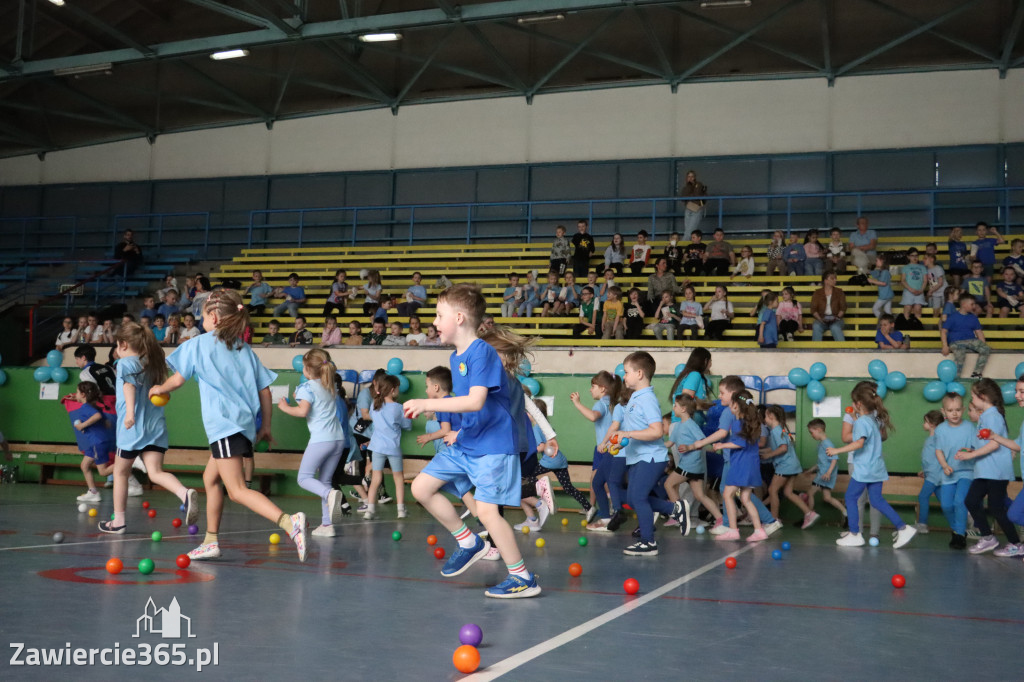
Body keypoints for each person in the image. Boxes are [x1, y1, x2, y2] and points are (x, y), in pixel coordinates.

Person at [403, 284, 541, 598]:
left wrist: (428, 404)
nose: (435, 322)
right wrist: (459, 433)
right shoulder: (456, 357)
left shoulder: (483, 353)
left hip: (493, 449)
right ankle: (468, 541)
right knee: (421, 487)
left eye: (439, 315)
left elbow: (476, 401)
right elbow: (473, 409)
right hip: (468, 443)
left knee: (489, 513)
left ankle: (522, 578)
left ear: (461, 318)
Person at [150, 289, 307, 562]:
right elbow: (265, 391)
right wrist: (266, 426)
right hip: (243, 426)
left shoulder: (198, 344)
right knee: (210, 479)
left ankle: (289, 522)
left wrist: (158, 387)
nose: (200, 323)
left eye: (201, 317)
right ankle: (210, 541)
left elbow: (176, 381)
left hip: (224, 425)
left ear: (213, 316)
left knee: (236, 490)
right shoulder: (243, 348)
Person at [99, 322, 199, 535]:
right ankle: (184, 493)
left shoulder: (125, 363)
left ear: (123, 344)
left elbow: (129, 387)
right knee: (155, 472)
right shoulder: (152, 364)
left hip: (132, 428)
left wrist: (130, 414)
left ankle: (119, 521)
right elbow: (162, 393)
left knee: (120, 472)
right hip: (156, 427)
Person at [683, 376, 781, 537]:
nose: (719, 396)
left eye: (722, 393)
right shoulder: (737, 413)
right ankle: (754, 523)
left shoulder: (730, 412)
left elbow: (722, 433)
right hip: (736, 459)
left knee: (731, 491)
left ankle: (736, 524)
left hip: (736, 460)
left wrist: (698, 444)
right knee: (739, 493)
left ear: (734, 395)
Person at [610, 351, 684, 555]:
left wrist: (628, 433)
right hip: (637, 457)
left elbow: (656, 431)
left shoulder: (647, 399)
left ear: (640, 373)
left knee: (639, 498)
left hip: (651, 458)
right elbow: (636, 431)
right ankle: (675, 509)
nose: (624, 376)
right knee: (633, 500)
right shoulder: (635, 398)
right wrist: (619, 442)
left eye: (626, 372)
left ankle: (648, 542)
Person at [827, 382, 916, 548]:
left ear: (858, 404)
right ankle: (903, 528)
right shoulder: (872, 419)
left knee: (850, 497)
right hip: (876, 467)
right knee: (876, 500)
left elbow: (859, 443)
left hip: (864, 469)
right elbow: (871, 435)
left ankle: (855, 534)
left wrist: (836, 451)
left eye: (854, 402)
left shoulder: (861, 422)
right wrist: (855, 418)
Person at [275, 350, 345, 537]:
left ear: (306, 369)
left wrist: (285, 407)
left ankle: (330, 495)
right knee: (325, 481)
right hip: (338, 439)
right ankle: (326, 525)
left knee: (304, 478)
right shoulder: (330, 385)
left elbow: (302, 411)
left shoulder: (307, 387)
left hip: (322, 440)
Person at [955, 379, 1020, 556]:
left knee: (996, 508)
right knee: (971, 501)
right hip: (985, 471)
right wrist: (973, 449)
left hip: (996, 471)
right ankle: (988, 538)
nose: (972, 399)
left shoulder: (992, 415)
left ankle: (1016, 544)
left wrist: (971, 455)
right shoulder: (986, 416)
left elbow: (994, 444)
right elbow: (986, 442)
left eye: (973, 396)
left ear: (982, 397)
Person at [712, 390, 768, 543]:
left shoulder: (738, 423)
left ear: (735, 405)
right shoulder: (752, 423)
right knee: (745, 497)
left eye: (731, 404)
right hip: (751, 465)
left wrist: (721, 445)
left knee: (727, 494)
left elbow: (739, 443)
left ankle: (732, 530)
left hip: (741, 465)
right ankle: (759, 530)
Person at [663, 394, 719, 534]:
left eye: (675, 405)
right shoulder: (677, 427)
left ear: (683, 409)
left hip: (690, 465)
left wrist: (689, 448)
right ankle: (720, 519)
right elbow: (670, 443)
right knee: (700, 495)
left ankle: (679, 515)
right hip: (692, 466)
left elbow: (701, 442)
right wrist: (653, 445)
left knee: (668, 484)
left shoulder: (691, 425)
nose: (673, 408)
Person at [569, 370, 620, 520]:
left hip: (605, 448)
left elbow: (593, 416)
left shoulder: (601, 403)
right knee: (596, 479)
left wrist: (577, 404)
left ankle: (611, 506)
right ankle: (592, 507)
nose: (591, 390)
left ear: (602, 388)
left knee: (600, 480)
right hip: (604, 448)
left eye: (593, 386)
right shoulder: (612, 402)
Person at [362, 374, 411, 520]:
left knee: (376, 478)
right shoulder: (399, 408)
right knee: (398, 478)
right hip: (393, 448)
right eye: (397, 388)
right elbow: (407, 426)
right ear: (392, 390)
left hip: (377, 447)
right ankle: (401, 510)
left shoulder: (374, 405)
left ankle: (369, 510)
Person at [762, 405, 816, 527]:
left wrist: (769, 455)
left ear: (771, 416)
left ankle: (774, 520)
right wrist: (762, 452)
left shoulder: (776, 431)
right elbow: (776, 447)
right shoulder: (781, 429)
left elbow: (783, 448)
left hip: (785, 466)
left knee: (772, 490)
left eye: (765, 415)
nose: (764, 419)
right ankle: (809, 513)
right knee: (788, 492)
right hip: (793, 465)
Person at [933, 392, 975, 549]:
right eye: (950, 410)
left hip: (966, 472)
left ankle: (959, 535)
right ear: (943, 411)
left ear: (963, 410)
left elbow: (975, 449)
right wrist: (944, 465)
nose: (954, 413)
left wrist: (969, 453)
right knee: (946, 505)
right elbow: (938, 451)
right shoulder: (940, 430)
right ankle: (958, 530)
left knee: (959, 501)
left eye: (958, 409)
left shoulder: (970, 427)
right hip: (948, 473)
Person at [63, 382, 116, 504]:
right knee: (85, 465)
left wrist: (83, 425)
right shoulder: (92, 406)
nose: (75, 394)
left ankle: (130, 462)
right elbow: (106, 423)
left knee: (103, 472)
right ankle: (93, 493)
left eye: (77, 392)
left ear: (83, 394)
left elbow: (97, 416)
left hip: (98, 442)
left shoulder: (88, 408)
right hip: (95, 442)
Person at [803, 418, 847, 524]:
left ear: (818, 430)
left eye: (811, 432)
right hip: (824, 474)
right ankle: (846, 512)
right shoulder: (822, 443)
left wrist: (828, 473)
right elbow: (822, 462)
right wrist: (811, 470)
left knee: (810, 492)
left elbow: (834, 458)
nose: (811, 435)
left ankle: (809, 515)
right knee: (827, 498)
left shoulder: (827, 443)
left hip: (825, 475)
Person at [941, 292, 990, 378]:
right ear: (963, 304)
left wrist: (983, 345)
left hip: (971, 341)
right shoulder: (952, 317)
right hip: (956, 342)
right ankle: (956, 377)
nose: (974, 306)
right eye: (972, 304)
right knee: (960, 356)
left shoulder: (973, 317)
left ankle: (976, 373)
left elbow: (979, 333)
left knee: (985, 349)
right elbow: (943, 331)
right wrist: (945, 346)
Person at [915, 409, 945, 534]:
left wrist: (931, 472)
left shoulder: (937, 438)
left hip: (934, 475)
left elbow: (940, 457)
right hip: (931, 474)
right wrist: (924, 471)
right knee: (944, 501)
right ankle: (964, 519)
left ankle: (922, 524)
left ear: (932, 424)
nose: (924, 424)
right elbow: (930, 458)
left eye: (925, 422)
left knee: (923, 496)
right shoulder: (931, 438)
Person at [74, 343, 117, 411]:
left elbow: (91, 393)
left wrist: (77, 398)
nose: (76, 362)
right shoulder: (108, 367)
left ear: (83, 358)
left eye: (77, 359)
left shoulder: (85, 373)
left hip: (105, 407)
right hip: (118, 403)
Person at [810, 272, 846, 342]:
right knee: (816, 326)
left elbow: (843, 308)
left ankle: (843, 350)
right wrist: (820, 319)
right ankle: (815, 351)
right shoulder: (817, 293)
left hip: (836, 318)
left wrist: (837, 318)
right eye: (832, 278)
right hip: (822, 318)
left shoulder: (839, 292)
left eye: (835, 278)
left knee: (835, 327)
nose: (835, 280)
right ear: (825, 280)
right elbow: (813, 310)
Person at [900, 247, 928, 321]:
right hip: (908, 291)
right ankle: (906, 327)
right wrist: (911, 290)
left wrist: (921, 290)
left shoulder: (922, 267)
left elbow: (925, 280)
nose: (915, 257)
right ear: (908, 256)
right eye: (912, 255)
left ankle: (917, 328)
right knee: (907, 308)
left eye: (916, 255)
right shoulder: (905, 267)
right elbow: (903, 280)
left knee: (918, 309)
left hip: (919, 291)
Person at [680, 169, 707, 239]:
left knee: (689, 231)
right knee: (687, 230)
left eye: (692, 176)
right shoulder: (686, 187)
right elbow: (683, 197)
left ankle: (682, 246)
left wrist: (690, 196)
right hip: (688, 208)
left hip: (696, 209)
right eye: (689, 176)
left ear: (695, 177)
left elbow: (697, 195)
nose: (690, 178)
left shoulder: (699, 184)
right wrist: (689, 187)